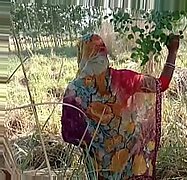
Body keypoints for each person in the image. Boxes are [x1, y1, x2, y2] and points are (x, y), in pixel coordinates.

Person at [60, 33, 180, 179]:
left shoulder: (73, 91)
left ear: (81, 55)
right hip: (130, 169)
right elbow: (162, 84)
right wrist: (173, 52)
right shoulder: (125, 80)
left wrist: (97, 140)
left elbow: (69, 135)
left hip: (98, 172)